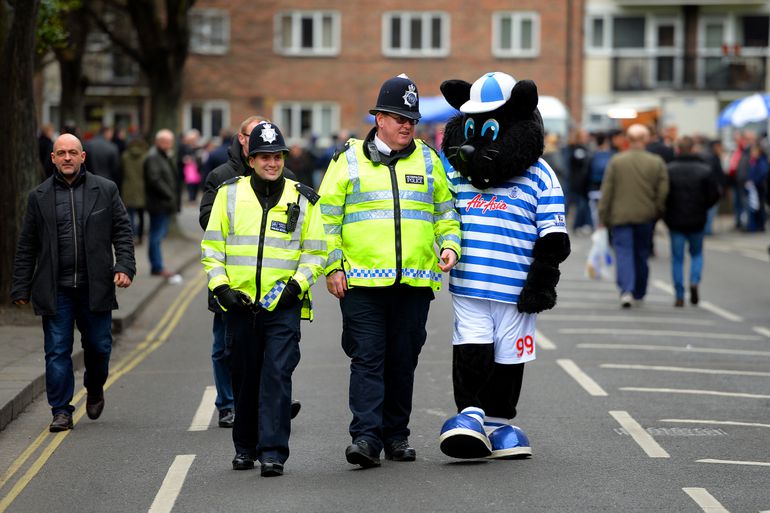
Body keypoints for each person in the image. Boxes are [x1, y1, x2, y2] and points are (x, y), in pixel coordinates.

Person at [318, 74, 461, 468]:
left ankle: (396, 436)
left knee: (403, 360)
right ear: (379, 118)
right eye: (399, 118)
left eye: (411, 120)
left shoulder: (429, 159)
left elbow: (446, 212)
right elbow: (325, 220)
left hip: (414, 282)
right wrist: (332, 266)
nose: (406, 126)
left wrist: (450, 244)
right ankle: (365, 437)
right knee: (368, 358)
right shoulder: (346, 161)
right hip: (362, 283)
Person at [201, 121, 327, 477]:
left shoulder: (302, 198)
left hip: (282, 306)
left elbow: (316, 253)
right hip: (239, 305)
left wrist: (296, 286)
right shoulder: (228, 195)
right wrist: (222, 288)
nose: (272, 163)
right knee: (243, 378)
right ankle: (245, 447)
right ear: (251, 159)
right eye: (264, 157)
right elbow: (212, 250)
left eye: (277, 157)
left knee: (276, 376)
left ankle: (273, 452)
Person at [11, 133, 135, 432]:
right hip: (56, 289)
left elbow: (122, 231)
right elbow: (27, 245)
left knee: (99, 347)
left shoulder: (105, 190)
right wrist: (21, 286)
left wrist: (125, 266)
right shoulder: (38, 197)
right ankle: (61, 410)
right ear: (53, 158)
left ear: (83, 157)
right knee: (56, 350)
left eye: (73, 152)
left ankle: (94, 387)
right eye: (61, 153)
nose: (67, 157)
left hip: (96, 287)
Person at [199, 115, 304, 429]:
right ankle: (228, 404)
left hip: (275, 289)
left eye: (276, 155)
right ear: (243, 141)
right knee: (227, 349)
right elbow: (208, 221)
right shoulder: (222, 178)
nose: (271, 161)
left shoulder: (290, 181)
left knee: (275, 355)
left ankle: (271, 404)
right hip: (234, 283)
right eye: (251, 134)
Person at [598, 123, 669, 308]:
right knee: (641, 254)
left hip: (619, 216)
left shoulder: (617, 161)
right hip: (645, 216)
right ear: (646, 139)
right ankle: (640, 291)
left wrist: (603, 216)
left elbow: (607, 191)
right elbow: (662, 191)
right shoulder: (656, 162)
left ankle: (626, 290)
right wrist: (656, 211)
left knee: (623, 253)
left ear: (627, 140)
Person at [664, 136, 720, 307]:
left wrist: (666, 212)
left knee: (677, 258)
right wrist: (703, 207)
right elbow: (714, 195)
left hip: (675, 220)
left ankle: (679, 294)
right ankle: (694, 281)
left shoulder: (669, 170)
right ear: (693, 149)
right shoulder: (704, 170)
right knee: (696, 254)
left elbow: (663, 194)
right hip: (697, 218)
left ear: (678, 149)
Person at [143, 129, 178, 278]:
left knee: (158, 235)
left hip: (163, 203)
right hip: (158, 203)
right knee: (156, 236)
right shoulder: (153, 157)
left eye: (170, 142)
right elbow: (155, 180)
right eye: (166, 142)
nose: (169, 145)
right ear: (158, 142)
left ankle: (157, 266)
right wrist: (170, 195)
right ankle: (157, 267)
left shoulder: (162, 155)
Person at [121, 135, 148, 244]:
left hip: (128, 189)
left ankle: (131, 237)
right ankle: (140, 237)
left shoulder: (125, 156)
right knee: (141, 215)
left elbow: (121, 171)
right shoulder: (145, 156)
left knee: (129, 215)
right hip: (142, 189)